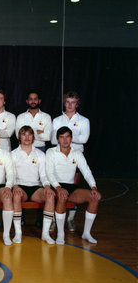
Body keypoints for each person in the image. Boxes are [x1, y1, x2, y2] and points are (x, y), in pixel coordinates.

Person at [46, 126, 101, 245]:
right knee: (62, 196)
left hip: (71, 186)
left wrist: (93, 187)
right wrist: (58, 188)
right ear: (57, 139)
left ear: (71, 139)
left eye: (67, 137)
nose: (65, 140)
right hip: (55, 186)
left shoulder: (77, 153)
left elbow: (86, 171)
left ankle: (86, 233)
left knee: (94, 198)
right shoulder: (51, 152)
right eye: (61, 137)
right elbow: (49, 173)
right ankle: (60, 233)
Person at [51, 91, 90, 231]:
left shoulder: (84, 121)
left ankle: (70, 219)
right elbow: (53, 140)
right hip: (59, 158)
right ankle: (54, 219)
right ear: (64, 103)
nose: (70, 105)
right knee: (57, 189)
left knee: (73, 189)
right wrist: (74, 135)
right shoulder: (56, 120)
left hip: (76, 158)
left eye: (73, 102)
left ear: (77, 104)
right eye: (67, 102)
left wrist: (65, 138)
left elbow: (84, 139)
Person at [11, 126, 56, 244]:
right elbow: (11, 175)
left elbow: (44, 175)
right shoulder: (13, 154)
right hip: (20, 186)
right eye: (24, 134)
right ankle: (18, 233)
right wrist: (15, 186)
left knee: (50, 196)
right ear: (19, 137)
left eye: (29, 135)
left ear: (33, 137)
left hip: (36, 187)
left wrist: (47, 186)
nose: (27, 137)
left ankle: (45, 234)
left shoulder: (40, 154)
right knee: (16, 196)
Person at [15, 90, 52, 227]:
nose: (33, 101)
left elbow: (48, 136)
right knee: (21, 182)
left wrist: (33, 133)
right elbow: (18, 134)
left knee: (41, 183)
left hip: (40, 150)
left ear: (39, 101)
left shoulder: (46, 117)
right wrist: (39, 131)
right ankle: (21, 218)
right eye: (30, 99)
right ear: (27, 101)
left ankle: (40, 219)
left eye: (35, 99)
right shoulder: (21, 117)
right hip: (22, 150)